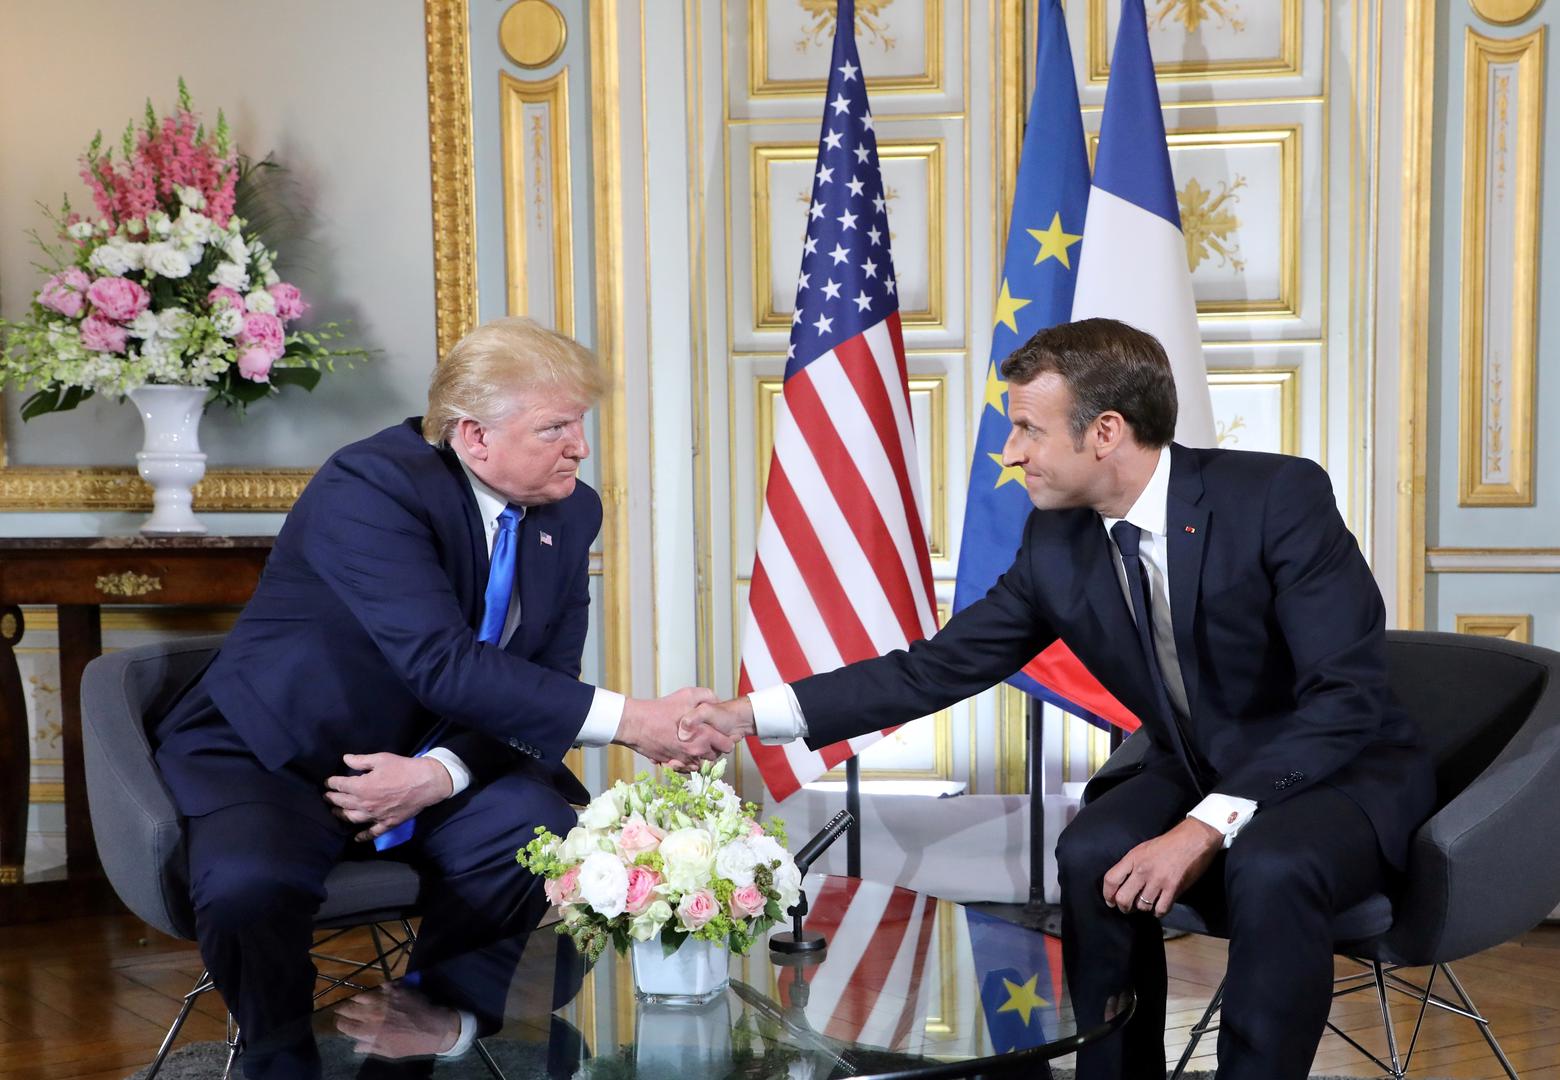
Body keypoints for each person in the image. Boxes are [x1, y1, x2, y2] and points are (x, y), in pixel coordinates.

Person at [680, 317, 1435, 1080]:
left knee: (1270, 864)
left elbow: (1345, 700)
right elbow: (932, 670)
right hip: (1201, 760)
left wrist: (1202, 827)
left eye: (1028, 430)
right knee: (1090, 850)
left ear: (1105, 431)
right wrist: (749, 716)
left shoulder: (1276, 497)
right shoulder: (1057, 543)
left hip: (1338, 769)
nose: (1011, 453)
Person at [152, 316, 733, 1078]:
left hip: (431, 753)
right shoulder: (371, 487)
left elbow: (547, 677)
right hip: (284, 753)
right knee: (247, 888)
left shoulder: (571, 510)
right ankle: (279, 1053)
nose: (580, 448)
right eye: (555, 428)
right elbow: (440, 662)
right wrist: (636, 722)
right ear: (474, 436)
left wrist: (441, 774)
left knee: (534, 825)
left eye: (580, 424)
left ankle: (430, 1033)